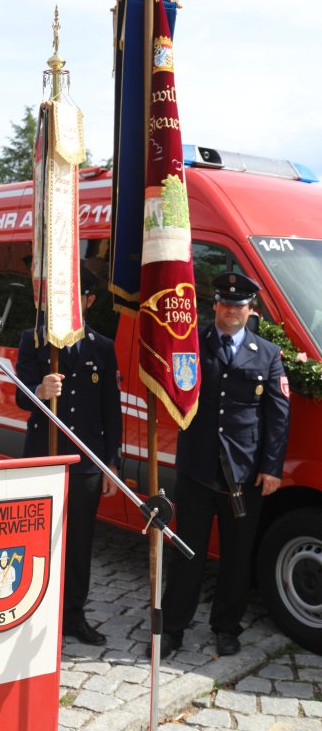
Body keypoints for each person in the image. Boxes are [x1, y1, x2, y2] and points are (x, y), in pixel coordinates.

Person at [158, 272, 290, 659]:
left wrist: (272, 467)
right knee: (186, 553)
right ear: (215, 305)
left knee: (237, 556)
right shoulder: (191, 345)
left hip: (244, 476)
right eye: (226, 303)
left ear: (251, 310)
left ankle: (227, 627)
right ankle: (173, 628)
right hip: (197, 469)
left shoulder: (268, 354)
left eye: (239, 305)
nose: (231, 310)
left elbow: (278, 416)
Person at [15, 265, 122, 645]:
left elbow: (111, 409)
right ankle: (33, 614)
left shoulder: (102, 347)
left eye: (78, 297)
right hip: (43, 457)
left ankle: (73, 616)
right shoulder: (34, 339)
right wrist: (39, 391)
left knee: (78, 543)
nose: (70, 304)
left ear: (89, 301)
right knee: (37, 539)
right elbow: (20, 396)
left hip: (85, 460)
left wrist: (111, 463)